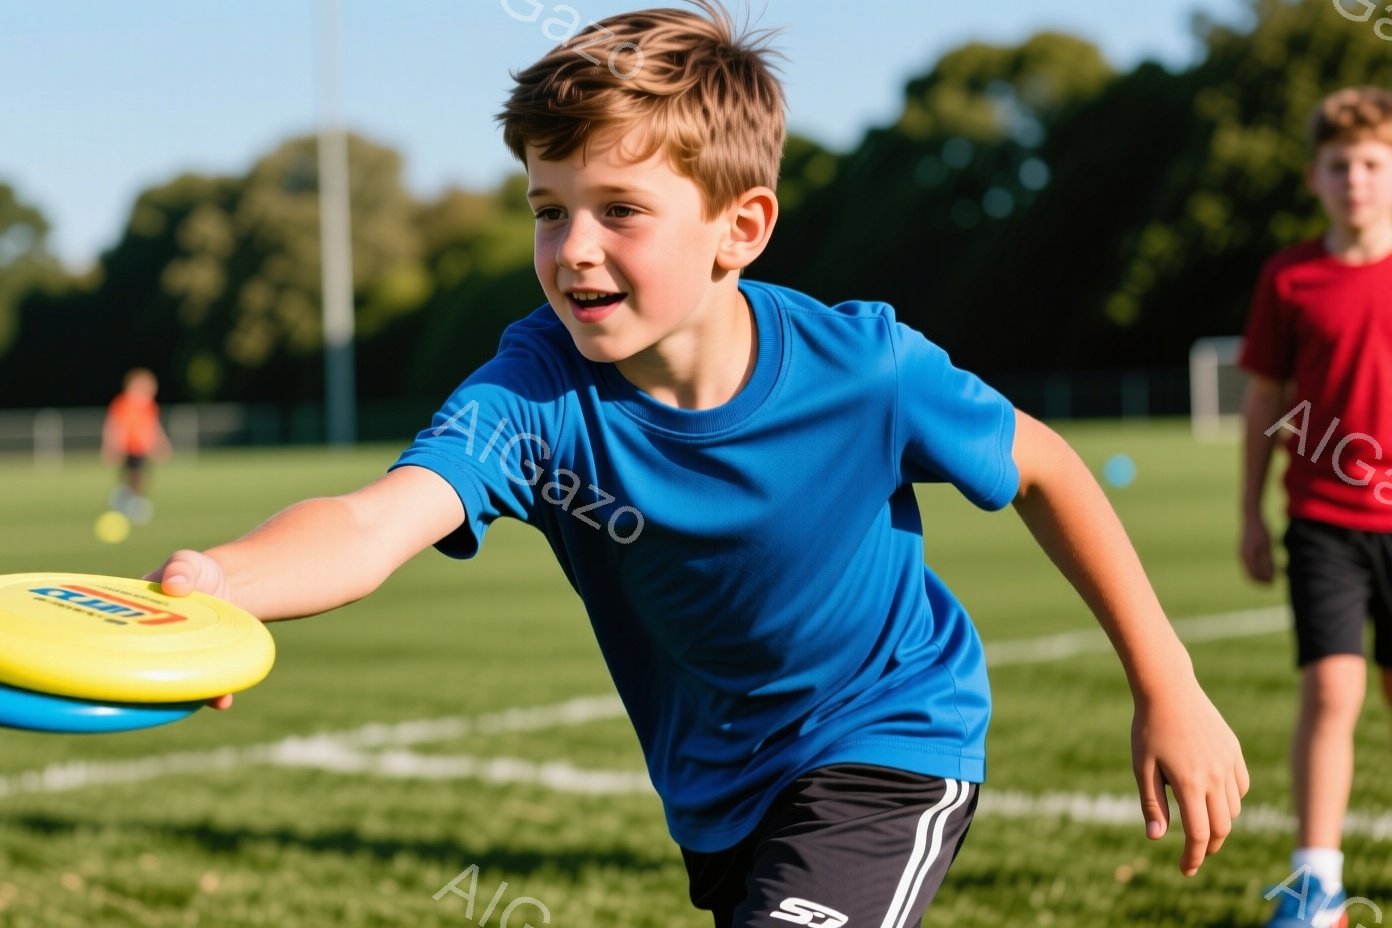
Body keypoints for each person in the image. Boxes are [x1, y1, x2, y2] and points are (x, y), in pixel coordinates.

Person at [150, 4, 1248, 924]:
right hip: (718, 794)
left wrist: (1166, 683)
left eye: (618, 211)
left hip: (887, 740)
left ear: (741, 226)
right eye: (548, 210)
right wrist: (225, 583)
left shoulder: (863, 368)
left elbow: (1046, 466)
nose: (571, 247)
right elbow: (373, 519)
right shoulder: (532, 390)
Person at [1238, 85, 1392, 928]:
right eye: (1341, 166)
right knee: (1333, 692)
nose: (1357, 180)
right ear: (1315, 178)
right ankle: (1316, 885)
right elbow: (1265, 404)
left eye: (1373, 163)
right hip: (1325, 519)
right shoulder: (1290, 277)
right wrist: (1249, 514)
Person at [103, 368, 171, 521]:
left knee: (141, 477)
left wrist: (162, 443)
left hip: (142, 448)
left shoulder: (149, 405)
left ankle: (127, 499)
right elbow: (116, 425)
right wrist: (113, 446)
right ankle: (127, 501)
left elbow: (153, 426)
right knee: (134, 475)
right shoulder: (123, 403)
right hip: (129, 446)